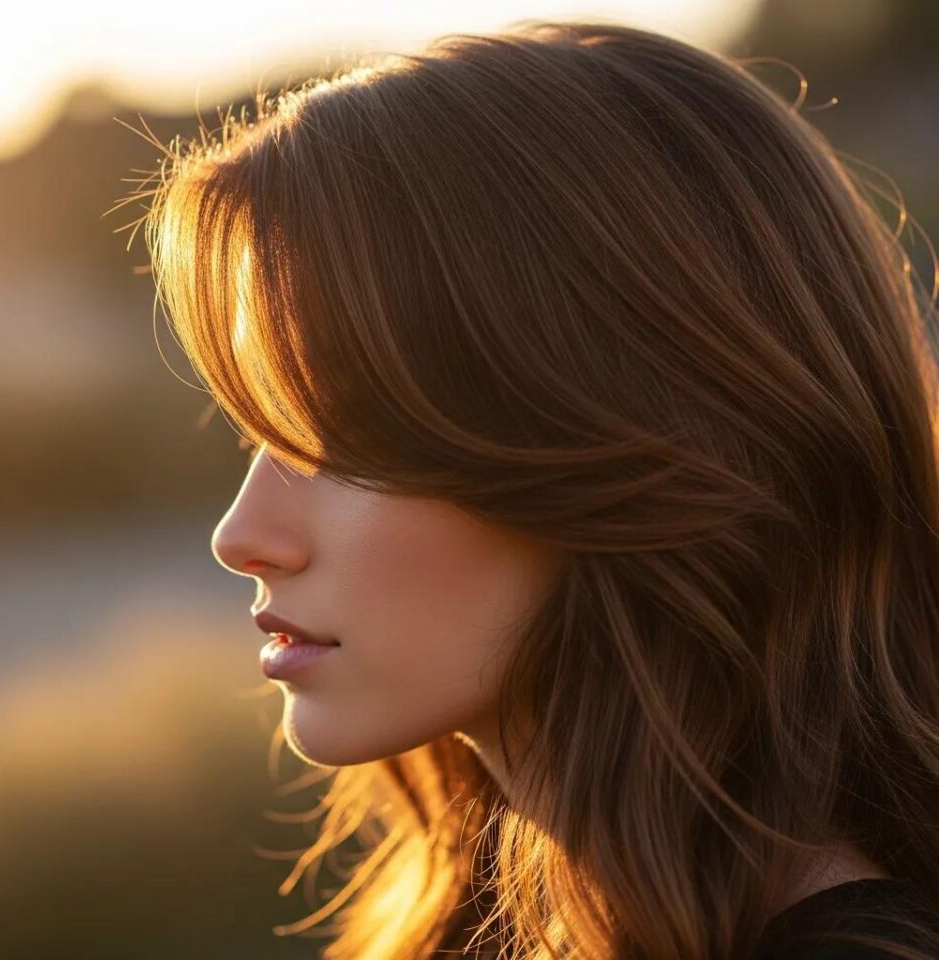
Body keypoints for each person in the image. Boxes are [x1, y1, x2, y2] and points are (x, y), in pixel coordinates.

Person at [117, 19, 939, 959]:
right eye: (260, 432)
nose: (242, 535)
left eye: (340, 437)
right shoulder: (494, 916)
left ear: (621, 427)